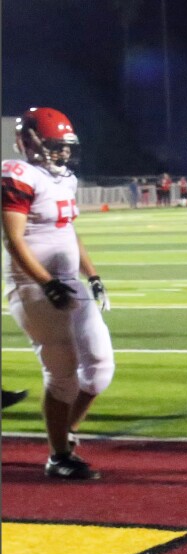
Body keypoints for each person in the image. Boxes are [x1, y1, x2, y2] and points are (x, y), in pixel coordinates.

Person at [2, 107, 115, 480]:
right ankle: (59, 455)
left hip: (68, 280)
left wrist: (92, 274)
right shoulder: (18, 175)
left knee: (99, 368)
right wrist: (46, 283)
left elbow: (68, 231)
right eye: (54, 145)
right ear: (29, 143)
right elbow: (14, 239)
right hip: (32, 284)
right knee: (62, 372)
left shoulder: (65, 180)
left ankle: (67, 432)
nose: (63, 153)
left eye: (65, 146)